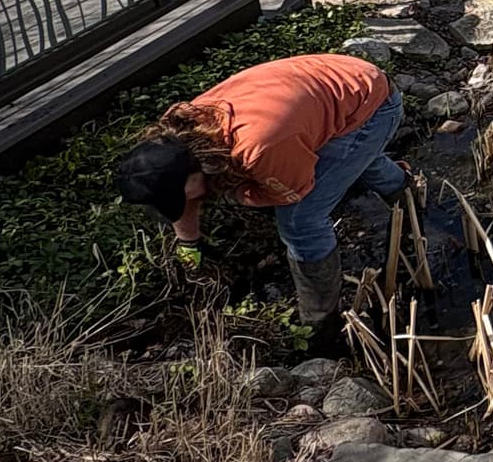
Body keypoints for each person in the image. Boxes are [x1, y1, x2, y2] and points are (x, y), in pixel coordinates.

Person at [115, 54, 407, 351]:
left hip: (373, 105)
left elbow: (293, 191)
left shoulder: (258, 148)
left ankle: (320, 325)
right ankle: (404, 192)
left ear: (198, 168)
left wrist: (237, 193)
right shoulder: (184, 130)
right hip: (339, 84)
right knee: (352, 159)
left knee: (300, 222)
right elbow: (186, 191)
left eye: (181, 195)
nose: (186, 201)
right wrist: (190, 243)